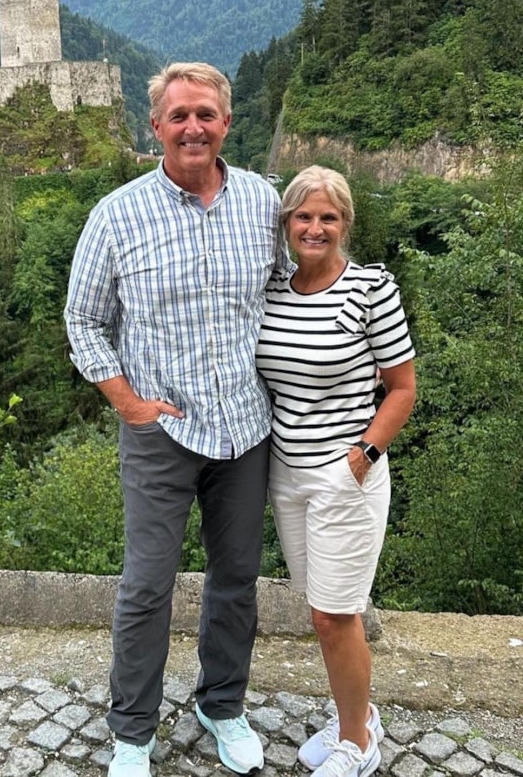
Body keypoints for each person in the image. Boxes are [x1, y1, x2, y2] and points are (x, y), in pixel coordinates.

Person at [64, 62, 292, 777]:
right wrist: (127, 402)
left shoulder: (262, 201)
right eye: (179, 115)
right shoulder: (117, 214)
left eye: (206, 114)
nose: (193, 127)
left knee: (237, 579)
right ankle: (132, 732)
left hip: (246, 427)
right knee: (146, 586)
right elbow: (83, 320)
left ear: (227, 123)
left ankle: (222, 705)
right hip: (160, 432)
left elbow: (284, 290)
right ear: (156, 125)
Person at [255, 166, 416, 777]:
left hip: (345, 476)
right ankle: (358, 715)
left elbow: (402, 388)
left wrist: (365, 454)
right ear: (287, 222)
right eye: (303, 216)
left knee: (335, 614)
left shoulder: (369, 290)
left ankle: (358, 742)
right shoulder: (273, 286)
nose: (314, 228)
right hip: (287, 474)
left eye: (327, 217)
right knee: (320, 611)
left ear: (345, 222)